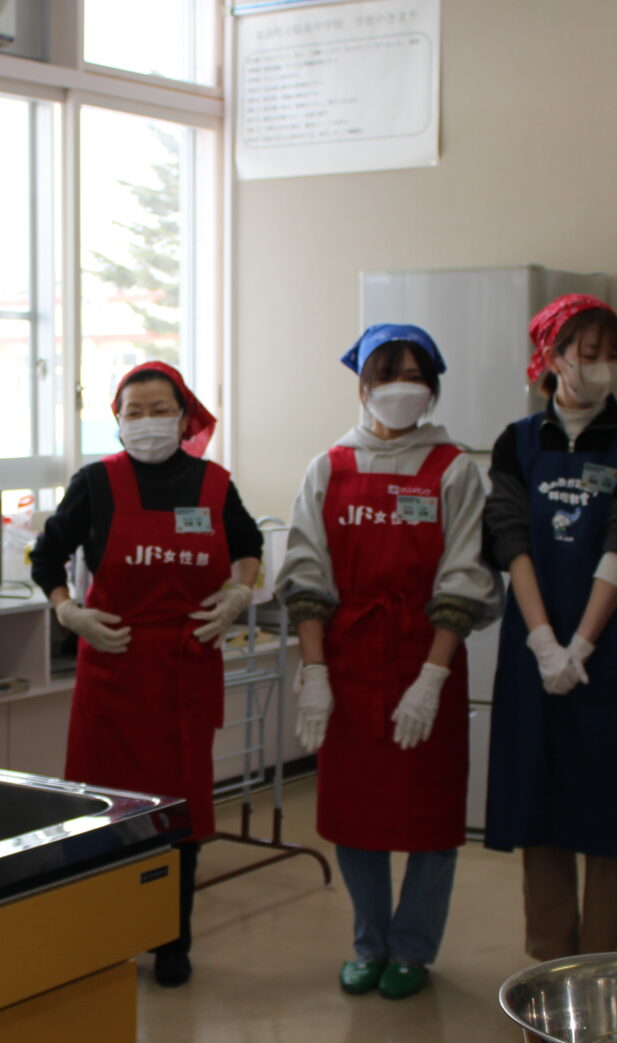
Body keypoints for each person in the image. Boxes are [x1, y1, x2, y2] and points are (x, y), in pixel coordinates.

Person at [281, 324, 500, 1000]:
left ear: (432, 389)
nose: (400, 389)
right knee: (356, 812)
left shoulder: (455, 469)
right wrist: (315, 673)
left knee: (430, 816)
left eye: (415, 375)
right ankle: (368, 941)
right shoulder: (329, 466)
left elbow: (466, 573)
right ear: (363, 385)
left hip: (423, 655)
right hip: (346, 660)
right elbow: (305, 574)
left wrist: (432, 679)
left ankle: (413, 947)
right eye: (387, 375)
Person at [30, 361, 262, 988]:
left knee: (179, 818)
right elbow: (47, 554)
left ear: (185, 418)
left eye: (160, 409)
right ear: (117, 421)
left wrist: (240, 594)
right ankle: (103, 935)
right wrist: (69, 611)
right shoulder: (96, 484)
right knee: (107, 814)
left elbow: (248, 548)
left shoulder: (214, 485)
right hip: (113, 668)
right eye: (133, 411)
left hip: (185, 669)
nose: (147, 422)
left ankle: (173, 941)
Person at [483, 295, 617, 960]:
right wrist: (543, 641)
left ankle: (609, 966)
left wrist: (583, 643)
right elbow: (510, 537)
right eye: (586, 354)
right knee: (541, 797)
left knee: (610, 798)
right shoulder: (518, 440)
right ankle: (550, 964)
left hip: (612, 637)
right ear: (553, 357)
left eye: (611, 355)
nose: (600, 367)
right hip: (534, 634)